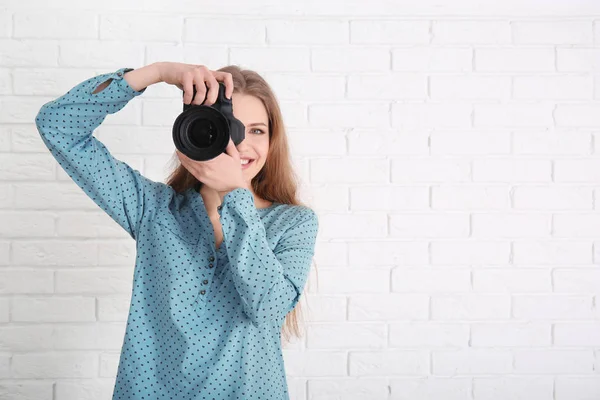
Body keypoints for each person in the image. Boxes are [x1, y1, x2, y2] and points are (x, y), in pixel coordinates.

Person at [34, 62, 319, 400]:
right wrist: (155, 73)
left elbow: (269, 309)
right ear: (199, 130)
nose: (240, 144)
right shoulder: (153, 209)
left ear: (272, 140)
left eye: (257, 130)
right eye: (229, 127)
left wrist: (235, 196)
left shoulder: (294, 222)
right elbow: (57, 126)